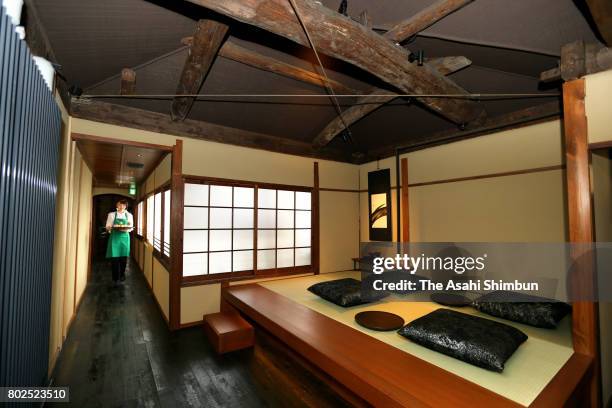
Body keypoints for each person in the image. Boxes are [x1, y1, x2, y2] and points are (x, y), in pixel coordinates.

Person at [105, 199, 133, 284]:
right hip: (114, 238)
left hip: (125, 237)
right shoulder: (112, 215)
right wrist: (109, 228)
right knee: (115, 258)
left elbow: (131, 227)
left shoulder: (129, 215)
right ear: (117, 205)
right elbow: (108, 226)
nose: (121, 207)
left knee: (123, 258)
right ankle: (115, 277)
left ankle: (122, 274)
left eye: (123, 205)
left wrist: (126, 229)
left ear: (125, 206)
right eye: (120, 205)